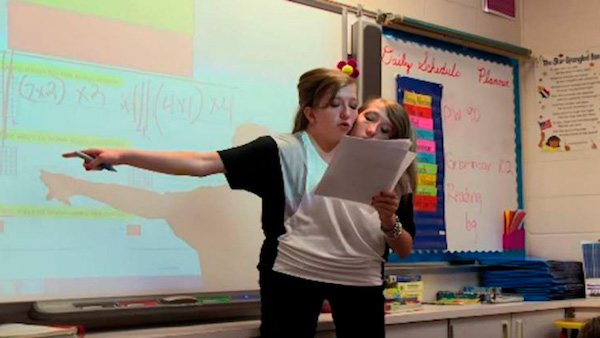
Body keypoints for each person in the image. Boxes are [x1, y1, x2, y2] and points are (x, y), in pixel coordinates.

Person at [64, 68, 416, 337]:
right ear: (310, 112)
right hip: (294, 275)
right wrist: (122, 155)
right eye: (335, 105)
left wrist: (389, 220)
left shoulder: (386, 166)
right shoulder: (281, 150)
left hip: (361, 280)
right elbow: (202, 163)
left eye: (353, 106)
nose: (348, 115)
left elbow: (400, 244)